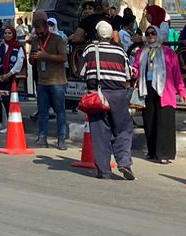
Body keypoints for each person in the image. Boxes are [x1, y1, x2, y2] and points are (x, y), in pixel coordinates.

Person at [78, 20, 134, 179]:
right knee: (123, 130)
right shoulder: (120, 50)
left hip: (98, 96)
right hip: (119, 95)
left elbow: (80, 73)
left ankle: (104, 171)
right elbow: (128, 74)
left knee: (100, 134)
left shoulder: (89, 49)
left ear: (97, 34)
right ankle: (124, 163)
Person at [132, 23, 186, 162]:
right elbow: (136, 68)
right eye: (148, 34)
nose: (150, 36)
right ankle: (152, 152)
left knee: (164, 121)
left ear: (158, 35)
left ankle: (164, 154)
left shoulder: (168, 52)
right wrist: (133, 72)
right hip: (146, 89)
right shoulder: (141, 52)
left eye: (153, 33)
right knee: (149, 121)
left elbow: (176, 73)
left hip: (165, 90)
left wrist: (182, 90)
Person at [30, 13, 69, 149]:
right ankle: (42, 137)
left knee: (60, 111)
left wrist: (46, 56)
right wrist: (33, 57)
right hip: (42, 82)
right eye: (37, 31)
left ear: (47, 28)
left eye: (41, 31)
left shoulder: (57, 39)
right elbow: (31, 61)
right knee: (42, 112)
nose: (39, 34)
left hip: (57, 81)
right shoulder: (35, 41)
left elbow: (64, 58)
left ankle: (61, 139)